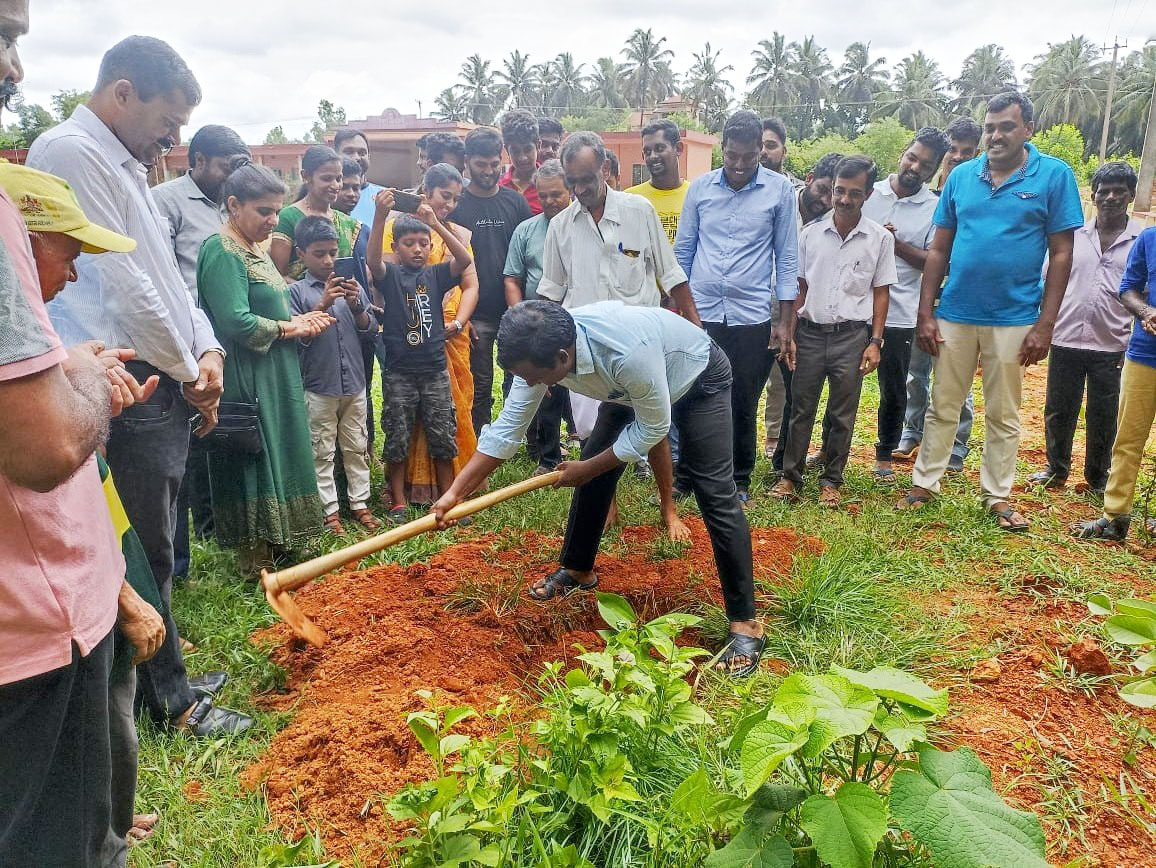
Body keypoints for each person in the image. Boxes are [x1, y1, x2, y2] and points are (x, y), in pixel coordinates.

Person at [28, 34, 250, 736]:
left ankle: (166, 673)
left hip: (157, 373)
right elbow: (125, 291)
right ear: (123, 92)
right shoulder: (72, 153)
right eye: (169, 120)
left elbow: (164, 275)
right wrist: (189, 375)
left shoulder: (125, 163)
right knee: (136, 547)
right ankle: (171, 703)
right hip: (120, 376)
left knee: (155, 536)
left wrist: (206, 348)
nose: (175, 138)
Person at [433, 300, 765, 677]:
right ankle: (577, 571)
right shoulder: (537, 355)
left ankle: (746, 624)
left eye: (534, 377)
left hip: (696, 377)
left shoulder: (625, 352)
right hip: (627, 388)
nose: (529, 384)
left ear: (562, 357)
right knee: (593, 466)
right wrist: (455, 493)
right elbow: (508, 430)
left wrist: (586, 468)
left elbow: (653, 429)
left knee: (714, 489)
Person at [0, 146, 161, 864]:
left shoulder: (41, 339)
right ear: (20, 243)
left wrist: (71, 372)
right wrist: (88, 384)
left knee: (89, 786)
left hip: (72, 604)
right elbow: (52, 452)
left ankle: (108, 826)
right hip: (38, 623)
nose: (70, 277)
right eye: (67, 255)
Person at [898, 92, 1084, 531]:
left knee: (1004, 412)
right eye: (990, 127)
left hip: (1016, 317)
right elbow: (939, 248)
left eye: (1006, 126)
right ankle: (925, 483)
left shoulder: (1054, 176)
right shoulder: (962, 177)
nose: (996, 135)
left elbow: (1061, 254)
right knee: (943, 402)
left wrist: (1046, 323)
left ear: (1028, 130)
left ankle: (997, 495)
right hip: (956, 312)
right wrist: (927, 313)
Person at [538, 130, 698, 540]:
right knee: (595, 436)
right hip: (585, 351)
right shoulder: (560, 227)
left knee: (655, 426)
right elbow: (551, 293)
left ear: (606, 169)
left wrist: (695, 326)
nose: (578, 190)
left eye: (586, 180)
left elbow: (670, 274)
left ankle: (668, 508)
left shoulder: (638, 211)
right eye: (572, 182)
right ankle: (607, 507)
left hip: (641, 348)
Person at [197, 159, 334, 570]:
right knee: (256, 453)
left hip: (275, 369)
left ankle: (283, 539)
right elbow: (234, 320)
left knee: (283, 445)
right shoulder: (221, 250)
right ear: (234, 205)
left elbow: (270, 305)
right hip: (246, 374)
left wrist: (298, 321)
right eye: (264, 211)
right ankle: (254, 554)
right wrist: (291, 328)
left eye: (277, 211)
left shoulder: (255, 248)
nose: (274, 220)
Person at [674, 110, 797, 504]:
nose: (740, 165)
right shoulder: (700, 190)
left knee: (741, 398)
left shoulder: (779, 192)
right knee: (692, 392)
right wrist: (680, 307)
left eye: (749, 156)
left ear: (762, 149)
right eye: (732, 156)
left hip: (752, 317)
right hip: (702, 313)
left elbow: (787, 258)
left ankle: (738, 478)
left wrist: (784, 322)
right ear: (722, 149)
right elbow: (685, 249)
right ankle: (687, 475)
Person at [770, 156, 896, 508]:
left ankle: (831, 481)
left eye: (854, 193)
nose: (843, 199)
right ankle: (790, 478)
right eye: (839, 190)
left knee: (843, 413)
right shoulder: (810, 235)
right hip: (809, 335)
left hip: (851, 338)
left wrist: (875, 341)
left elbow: (881, 291)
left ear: (868, 194)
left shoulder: (879, 240)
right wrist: (790, 334)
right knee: (801, 409)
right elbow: (800, 288)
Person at [153, 123, 249, 579]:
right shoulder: (167, 202)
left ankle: (216, 526)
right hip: (183, 340)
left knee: (222, 432)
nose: (233, 176)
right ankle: (179, 561)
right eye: (227, 167)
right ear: (198, 161)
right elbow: (162, 278)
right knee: (184, 445)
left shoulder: (234, 208)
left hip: (226, 339)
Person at [1028, 162, 1142, 494]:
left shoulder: (1141, 242)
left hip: (1112, 343)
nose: (1110, 197)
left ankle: (1097, 477)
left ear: (1130, 196)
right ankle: (1055, 469)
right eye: (1103, 191)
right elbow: (1048, 280)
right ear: (1092, 195)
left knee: (1103, 415)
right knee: (1059, 409)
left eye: (1118, 191)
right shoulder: (1072, 238)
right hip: (1064, 337)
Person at [378, 163, 481, 508]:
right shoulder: (395, 248)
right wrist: (382, 215)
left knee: (445, 426)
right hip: (401, 359)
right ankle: (400, 496)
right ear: (426, 191)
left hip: (443, 347)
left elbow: (468, 276)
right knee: (399, 429)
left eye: (455, 198)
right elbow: (377, 268)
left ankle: (448, 493)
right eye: (443, 196)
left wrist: (458, 323)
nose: (449, 204)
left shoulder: (453, 244)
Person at [860, 127, 950, 484]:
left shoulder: (934, 208)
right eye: (912, 157)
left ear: (934, 170)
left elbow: (935, 260)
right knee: (841, 382)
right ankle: (831, 446)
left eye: (925, 165)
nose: (915, 167)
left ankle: (884, 454)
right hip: (855, 306)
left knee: (894, 385)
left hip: (900, 311)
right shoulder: (870, 192)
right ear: (903, 152)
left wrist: (894, 243)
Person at [894, 116, 982, 466]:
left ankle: (957, 445)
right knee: (916, 371)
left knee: (954, 373)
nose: (958, 157)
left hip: (960, 297)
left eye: (967, 152)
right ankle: (912, 431)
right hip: (924, 297)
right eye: (953, 152)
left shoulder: (978, 195)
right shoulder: (930, 199)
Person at [289, 216, 379, 534]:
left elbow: (370, 331)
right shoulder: (296, 293)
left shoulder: (353, 287)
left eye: (332, 252)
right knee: (321, 450)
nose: (328, 260)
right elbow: (299, 337)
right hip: (319, 385)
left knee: (356, 445)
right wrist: (324, 303)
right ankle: (329, 513)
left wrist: (356, 306)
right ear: (301, 254)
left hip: (353, 382)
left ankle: (361, 505)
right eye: (319, 253)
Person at [1072, 224, 1156, 541]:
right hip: (1145, 355)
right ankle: (1115, 516)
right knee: (1128, 440)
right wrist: (1146, 311)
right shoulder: (1149, 239)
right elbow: (1128, 289)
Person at [449, 126, 532, 434]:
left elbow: (526, 256)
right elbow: (449, 264)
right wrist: (460, 316)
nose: (488, 171)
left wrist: (524, 308)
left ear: (502, 159)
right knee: (479, 383)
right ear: (468, 161)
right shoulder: (457, 206)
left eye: (494, 164)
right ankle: (481, 440)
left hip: (514, 309)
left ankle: (519, 439)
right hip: (474, 313)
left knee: (522, 379)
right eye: (481, 165)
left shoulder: (516, 203)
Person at [766, 150, 843, 468]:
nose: (825, 200)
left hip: (797, 318)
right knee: (743, 387)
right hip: (756, 310)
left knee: (794, 391)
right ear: (809, 179)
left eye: (832, 194)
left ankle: (782, 461)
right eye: (823, 189)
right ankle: (728, 458)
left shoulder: (831, 224)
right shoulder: (778, 205)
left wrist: (790, 322)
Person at [504, 159, 572, 473]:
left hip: (577, 320)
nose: (548, 201)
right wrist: (519, 317)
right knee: (546, 390)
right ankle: (548, 458)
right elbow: (513, 278)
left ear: (569, 190)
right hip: (538, 326)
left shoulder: (581, 227)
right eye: (543, 195)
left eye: (555, 194)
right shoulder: (526, 231)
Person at [270, 144, 362, 281]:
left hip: (342, 299)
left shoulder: (348, 223)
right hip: (301, 300)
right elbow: (278, 276)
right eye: (326, 179)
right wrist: (316, 295)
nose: (336, 185)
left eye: (338, 179)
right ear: (305, 176)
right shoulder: (288, 217)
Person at [625, 119, 689, 246]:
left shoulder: (695, 196)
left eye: (659, 148)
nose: (653, 156)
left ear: (678, 149)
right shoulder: (629, 199)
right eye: (647, 152)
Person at [334, 128, 384, 226]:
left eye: (362, 153)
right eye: (349, 152)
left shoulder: (384, 196)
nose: (356, 157)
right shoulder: (326, 197)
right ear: (335, 155)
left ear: (369, 156)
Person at [499, 109, 542, 215]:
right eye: (516, 151)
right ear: (507, 150)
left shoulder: (550, 185)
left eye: (528, 149)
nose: (523, 157)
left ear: (538, 146)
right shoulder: (499, 186)